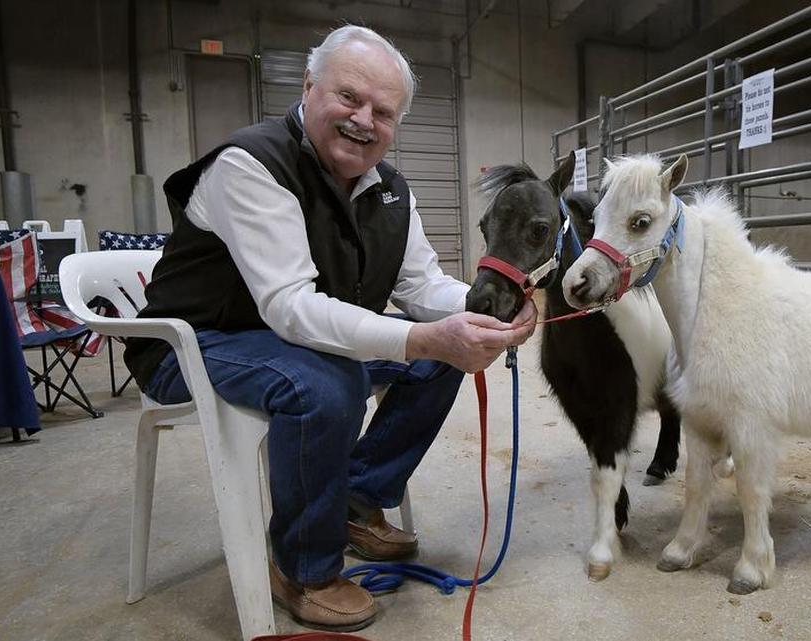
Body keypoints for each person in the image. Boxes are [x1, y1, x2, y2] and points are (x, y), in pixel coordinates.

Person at [123, 25, 536, 632]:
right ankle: (303, 567)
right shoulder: (251, 164)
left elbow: (421, 288)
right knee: (325, 385)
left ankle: (355, 499)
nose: (364, 120)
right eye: (350, 98)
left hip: (286, 338)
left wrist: (491, 307)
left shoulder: (392, 191)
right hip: (199, 340)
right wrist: (422, 335)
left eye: (383, 112)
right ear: (310, 85)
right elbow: (291, 307)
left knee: (436, 359)